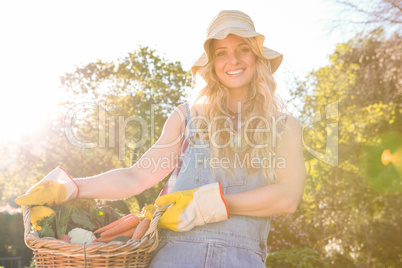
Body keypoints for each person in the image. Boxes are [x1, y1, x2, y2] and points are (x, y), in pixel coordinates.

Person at [16, 10, 306, 267]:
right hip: (175, 255)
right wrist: (71, 188)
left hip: (242, 258)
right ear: (212, 63)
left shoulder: (283, 126)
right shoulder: (187, 118)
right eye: (221, 52)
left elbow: (287, 197)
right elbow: (135, 177)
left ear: (256, 57)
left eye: (243, 49)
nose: (233, 60)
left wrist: (212, 204)